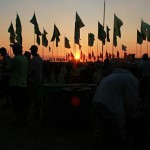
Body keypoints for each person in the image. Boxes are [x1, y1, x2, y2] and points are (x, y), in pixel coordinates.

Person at [92, 66, 139, 150]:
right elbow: (131, 103)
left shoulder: (113, 76)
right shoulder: (132, 80)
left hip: (97, 103)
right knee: (115, 138)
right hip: (111, 109)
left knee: (103, 134)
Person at [9, 43, 29, 126]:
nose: (12, 50)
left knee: (16, 103)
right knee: (22, 103)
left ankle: (18, 120)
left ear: (15, 50)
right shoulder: (25, 58)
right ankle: (23, 120)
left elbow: (10, 69)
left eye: (13, 48)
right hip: (23, 84)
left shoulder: (15, 59)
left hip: (15, 84)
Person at [28, 45, 43, 120]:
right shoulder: (40, 59)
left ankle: (37, 114)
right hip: (39, 80)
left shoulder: (33, 60)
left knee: (34, 98)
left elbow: (32, 72)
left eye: (31, 50)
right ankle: (38, 113)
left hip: (33, 81)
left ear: (33, 51)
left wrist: (28, 77)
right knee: (38, 98)